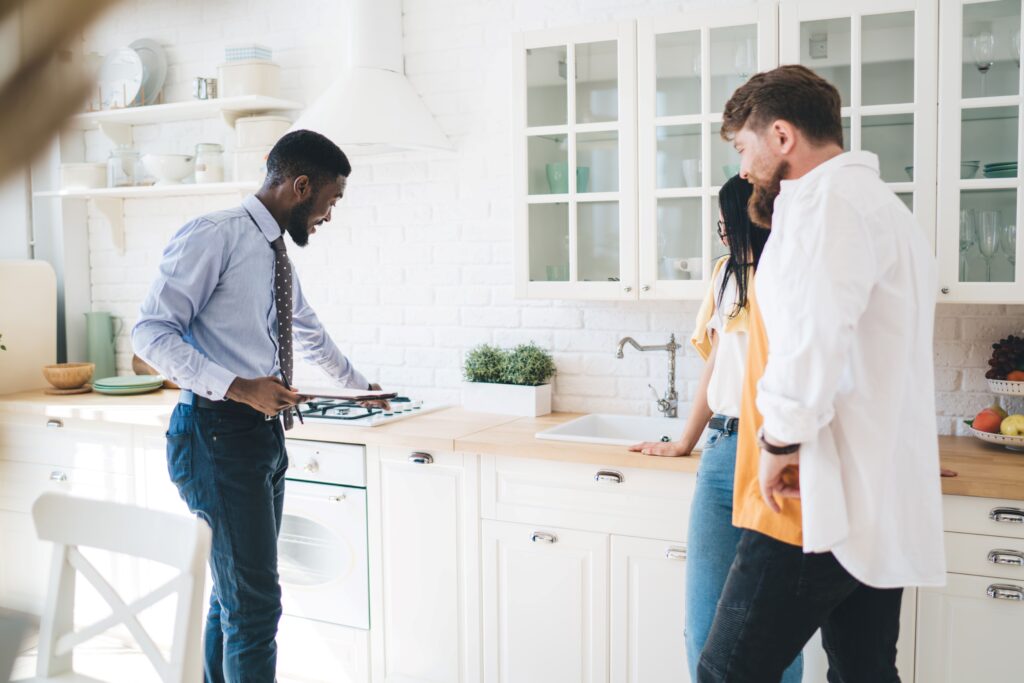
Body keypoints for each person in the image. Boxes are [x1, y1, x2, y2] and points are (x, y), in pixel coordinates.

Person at [697, 65, 946, 683]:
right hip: (871, 491)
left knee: (728, 671)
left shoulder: (824, 205)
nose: (744, 165)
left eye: (743, 145)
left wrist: (779, 442)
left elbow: (813, 338)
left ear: (782, 136)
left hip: (812, 493)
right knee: (862, 672)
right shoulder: (886, 210)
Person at [132, 129, 382, 683]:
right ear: (300, 186)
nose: (328, 216)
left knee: (236, 595)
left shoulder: (272, 253)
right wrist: (241, 386)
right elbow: (149, 333)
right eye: (330, 201)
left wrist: (365, 389)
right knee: (255, 606)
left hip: (260, 437)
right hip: (216, 434)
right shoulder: (214, 235)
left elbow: (307, 330)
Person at [629, 176, 801, 683]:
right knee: (702, 628)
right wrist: (685, 440)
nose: (724, 238)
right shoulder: (726, 275)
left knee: (775, 634)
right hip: (724, 452)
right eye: (721, 231)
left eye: (729, 228)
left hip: (779, 454)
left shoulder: (794, 275)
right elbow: (719, 360)